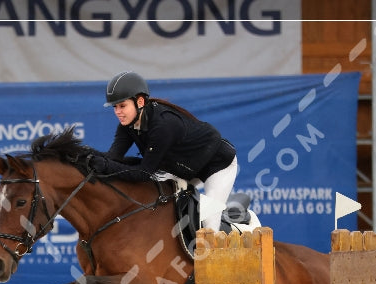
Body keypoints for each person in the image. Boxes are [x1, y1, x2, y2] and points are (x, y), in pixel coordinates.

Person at [90, 71, 256, 231]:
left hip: (217, 165)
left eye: (122, 105)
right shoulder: (127, 125)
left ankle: (236, 219)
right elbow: (113, 158)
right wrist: (86, 155)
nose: (118, 111)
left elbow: (143, 173)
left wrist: (104, 165)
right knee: (160, 206)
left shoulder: (163, 126)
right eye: (115, 107)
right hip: (184, 168)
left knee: (208, 224)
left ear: (140, 102)